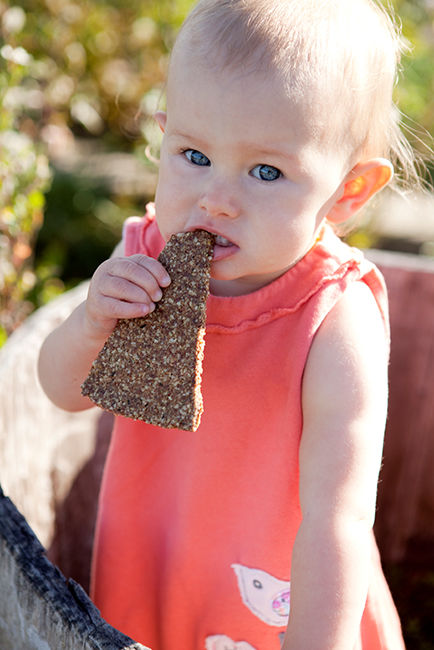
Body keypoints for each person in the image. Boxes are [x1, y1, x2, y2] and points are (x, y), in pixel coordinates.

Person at [37, 0, 416, 648]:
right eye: (193, 154)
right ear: (164, 133)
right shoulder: (148, 258)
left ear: (348, 191)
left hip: (283, 606)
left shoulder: (333, 317)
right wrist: (92, 321)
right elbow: (60, 391)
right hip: (150, 574)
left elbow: (337, 519)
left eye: (266, 171)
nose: (216, 197)